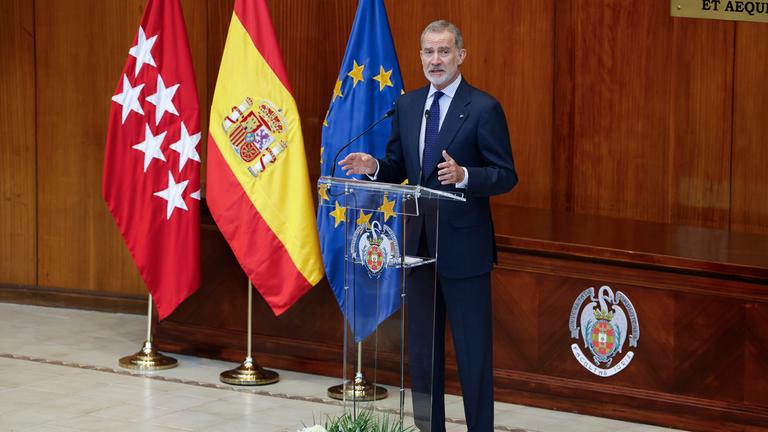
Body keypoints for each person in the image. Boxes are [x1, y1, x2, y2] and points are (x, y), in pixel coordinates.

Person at [339, 20, 517, 432]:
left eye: (443, 52)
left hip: (465, 251)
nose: (435, 60)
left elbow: (506, 174)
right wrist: (374, 167)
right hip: (418, 249)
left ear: (461, 56)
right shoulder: (407, 105)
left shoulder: (484, 107)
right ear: (419, 56)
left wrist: (466, 176)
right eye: (427, 52)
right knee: (422, 354)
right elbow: (403, 168)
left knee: (473, 354)